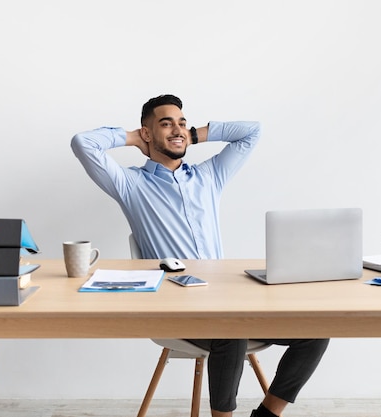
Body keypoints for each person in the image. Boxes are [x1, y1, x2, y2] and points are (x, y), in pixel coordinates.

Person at [71, 94, 329, 417]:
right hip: (175, 306)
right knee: (231, 329)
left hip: (227, 298)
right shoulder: (131, 184)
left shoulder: (209, 176)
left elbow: (252, 131)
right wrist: (132, 138)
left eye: (182, 122)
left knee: (317, 327)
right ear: (147, 133)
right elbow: (83, 143)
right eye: (166, 124)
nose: (177, 129)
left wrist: (193, 135)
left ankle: (267, 414)